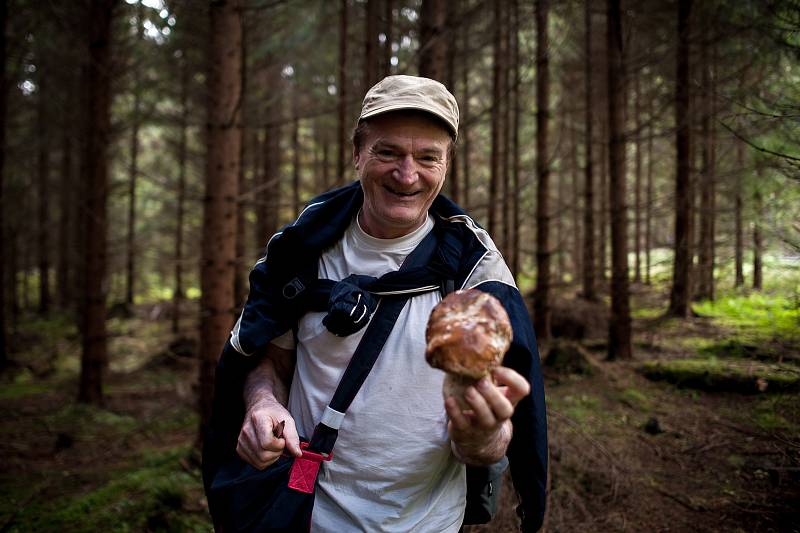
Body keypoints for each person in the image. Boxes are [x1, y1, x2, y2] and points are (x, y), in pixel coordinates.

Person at [202, 75, 548, 532]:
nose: (407, 175)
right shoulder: (302, 251)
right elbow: (270, 362)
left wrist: (482, 433)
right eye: (388, 152)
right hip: (304, 516)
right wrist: (262, 402)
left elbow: (494, 441)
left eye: (428, 157)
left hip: (427, 523)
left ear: (447, 165)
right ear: (357, 152)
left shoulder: (476, 278)